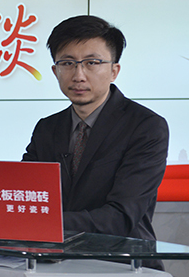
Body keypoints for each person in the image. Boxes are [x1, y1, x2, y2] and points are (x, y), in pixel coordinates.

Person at [22, 15, 169, 255]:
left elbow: (121, 216)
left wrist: (45, 222)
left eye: (92, 62)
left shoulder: (146, 127)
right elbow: (26, 197)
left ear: (114, 71)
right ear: (55, 71)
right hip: (52, 260)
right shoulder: (47, 128)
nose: (78, 75)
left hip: (121, 262)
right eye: (67, 63)